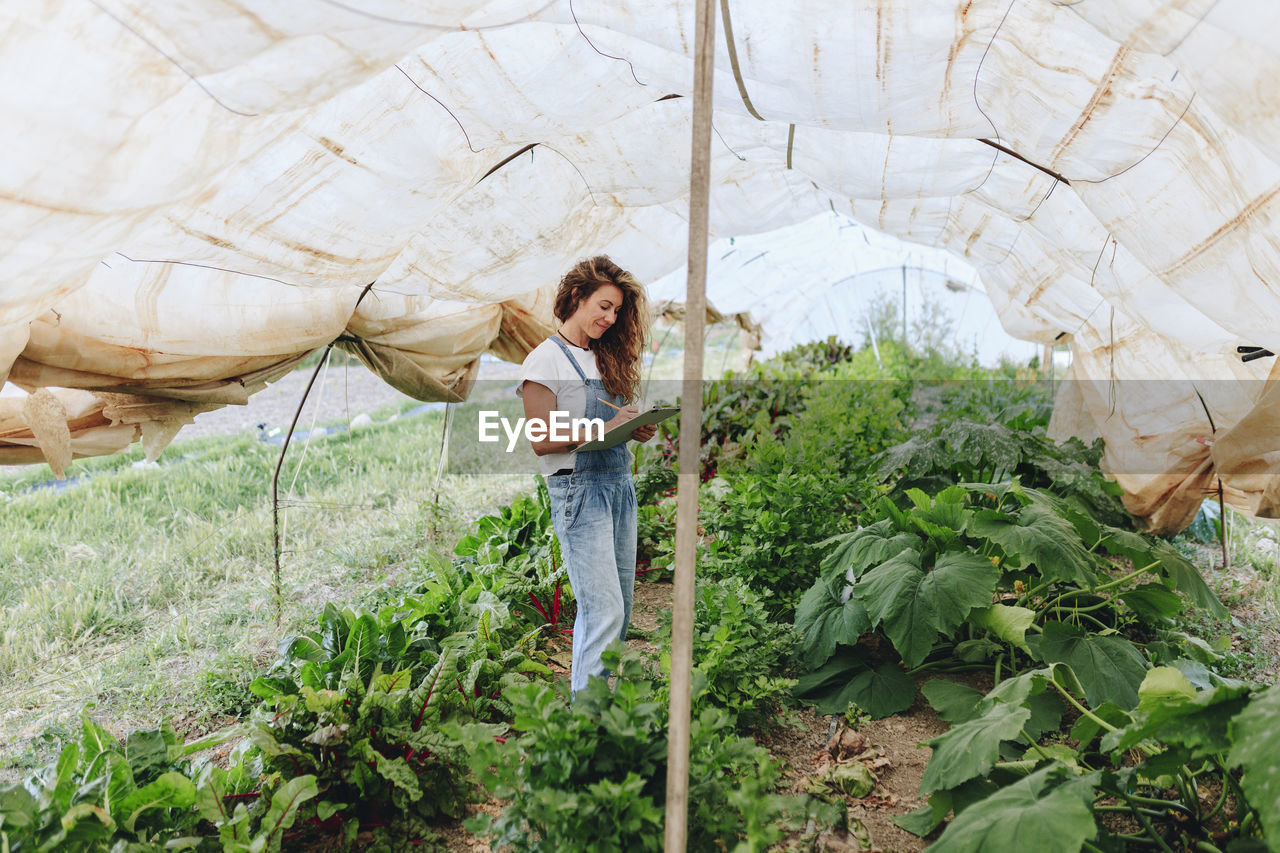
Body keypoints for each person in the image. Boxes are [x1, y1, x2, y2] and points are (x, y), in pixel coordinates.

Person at [517, 255, 656, 695]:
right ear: (577, 296)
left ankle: (597, 705)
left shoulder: (604, 356)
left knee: (621, 608)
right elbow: (540, 437)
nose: (610, 318)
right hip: (580, 491)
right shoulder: (544, 360)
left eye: (616, 311)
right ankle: (588, 723)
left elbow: (610, 426)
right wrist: (606, 427)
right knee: (603, 609)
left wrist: (634, 427)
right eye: (603, 306)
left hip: (618, 486)